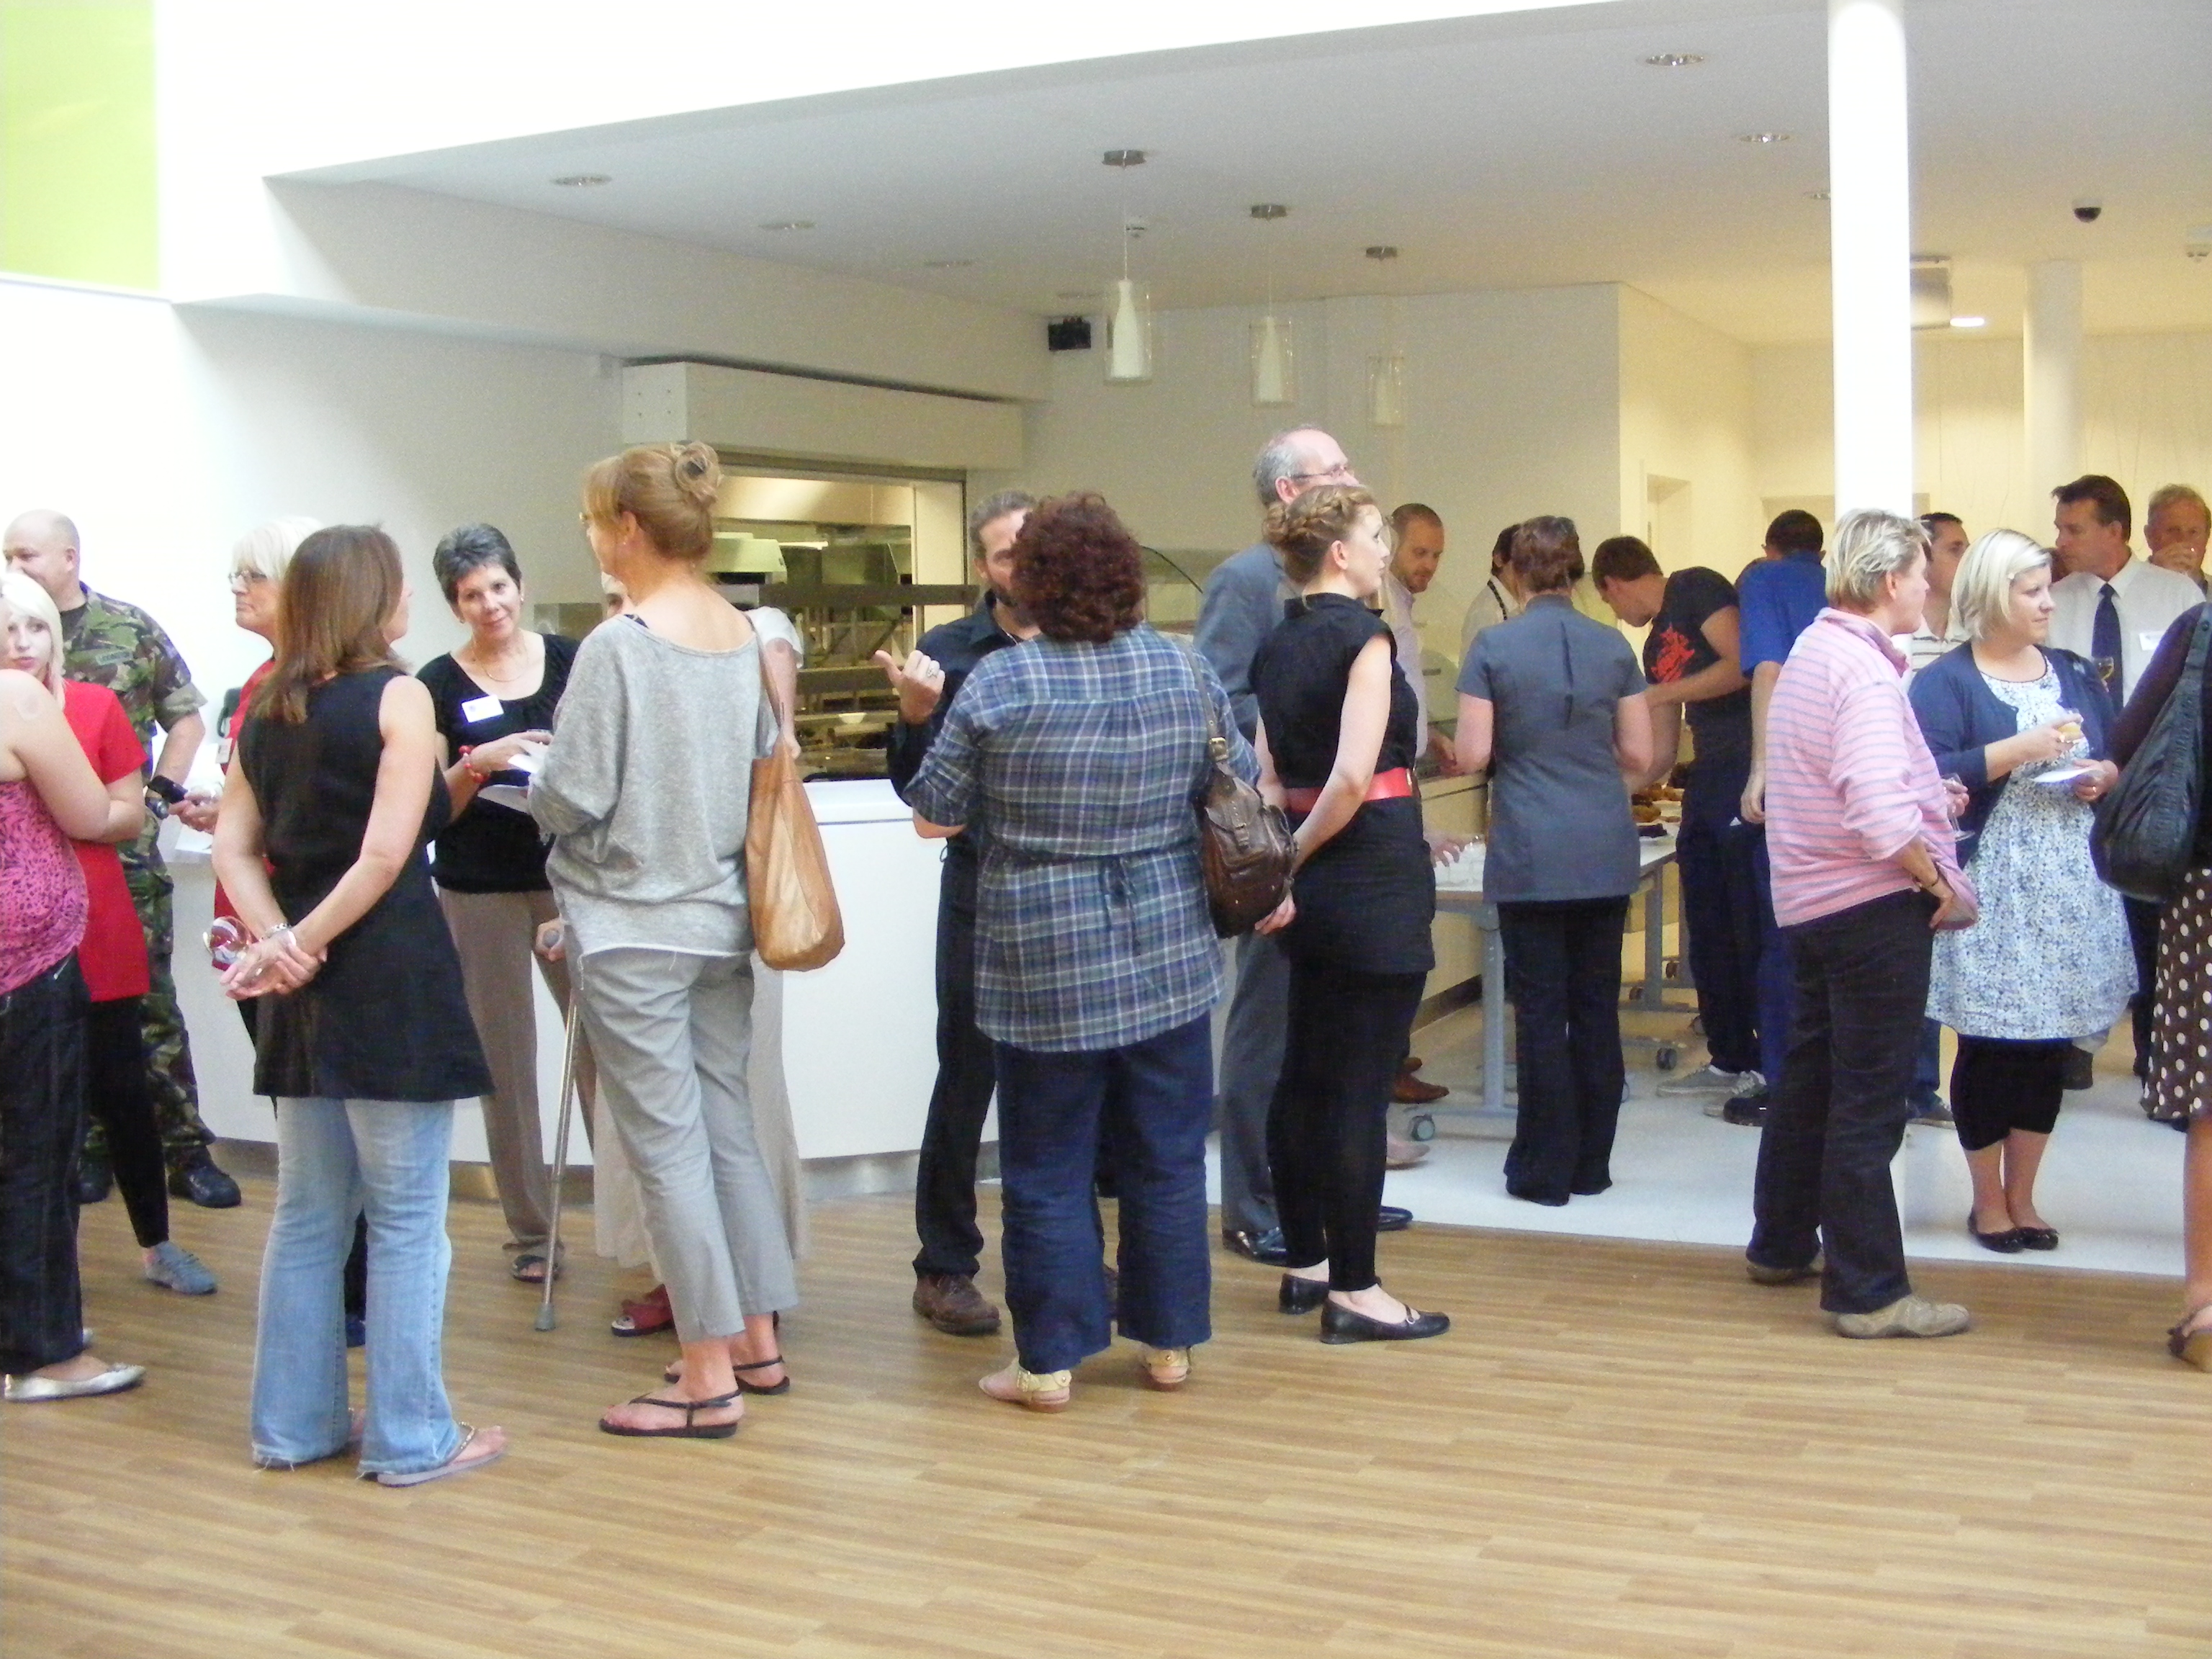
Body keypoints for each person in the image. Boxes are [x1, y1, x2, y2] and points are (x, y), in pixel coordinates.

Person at [907, 493, 1238, 1410]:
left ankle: (1048, 1362)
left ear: (1038, 582)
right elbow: (1236, 786)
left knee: (1047, 1166)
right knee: (1166, 1158)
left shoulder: (1003, 685)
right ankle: (1168, 1345)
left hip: (1042, 957)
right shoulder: (1185, 672)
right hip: (1170, 949)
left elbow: (935, 810)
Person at [213, 526, 505, 1481]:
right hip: (386, 977)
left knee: (309, 1213)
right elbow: (385, 857)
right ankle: (413, 1440)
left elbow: (232, 849)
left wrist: (279, 943)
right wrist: (299, 944)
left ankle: (291, 1429)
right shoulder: (401, 695)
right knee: (410, 1215)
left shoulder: (270, 708)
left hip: (304, 988)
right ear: (376, 601)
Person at [533, 443, 796, 1439]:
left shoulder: (620, 645)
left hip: (634, 929)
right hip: (723, 921)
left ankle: (702, 1375)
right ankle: (758, 1340)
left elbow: (577, 792)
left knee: (668, 1148)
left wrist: (534, 773)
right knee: (726, 1130)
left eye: (595, 522)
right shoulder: (739, 630)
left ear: (628, 529)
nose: (594, 539)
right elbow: (768, 757)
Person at [1745, 509, 1976, 1339]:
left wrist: (1923, 799)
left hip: (1810, 906)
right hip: (1870, 908)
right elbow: (1878, 818)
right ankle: (1869, 1290)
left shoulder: (1816, 649)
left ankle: (1778, 1242)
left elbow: (1840, 780)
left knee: (1809, 1080)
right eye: (1921, 572)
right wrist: (1935, 879)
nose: (1928, 585)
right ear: (1889, 583)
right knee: (1868, 1101)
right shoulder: (1867, 673)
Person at [1194, 428, 1412, 1264]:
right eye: (1337, 472)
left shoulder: (1356, 604)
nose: (1354, 479)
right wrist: (1283, 821)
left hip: (1338, 828)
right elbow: (1223, 700)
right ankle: (1257, 1204)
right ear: (1292, 495)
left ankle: (1328, 1199)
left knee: (1326, 1036)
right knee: (1268, 1024)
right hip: (1292, 827)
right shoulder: (1249, 582)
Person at [1253, 487, 1447, 1342]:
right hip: (1367, 871)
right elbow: (1353, 778)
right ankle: (1357, 1288)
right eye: (1375, 538)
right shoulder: (1363, 637)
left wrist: (1280, 866)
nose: (1383, 552)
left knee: (1306, 1074)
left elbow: (1268, 776)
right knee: (1359, 1089)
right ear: (1339, 553)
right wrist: (1298, 856)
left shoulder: (1276, 645)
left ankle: (1308, 1260)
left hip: (1314, 889)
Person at [3, 510, 236, 1208]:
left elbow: (185, 718)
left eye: (28, 553)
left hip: (117, 861)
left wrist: (156, 795)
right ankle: (88, 1154)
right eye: (7, 554)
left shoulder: (126, 630)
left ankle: (184, 1151)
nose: (16, 566)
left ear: (69, 558)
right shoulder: (8, 644)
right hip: (30, 882)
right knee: (53, 1036)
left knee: (147, 1021)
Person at [1910, 530, 2129, 1252]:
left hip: (2068, 884)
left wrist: (2102, 776)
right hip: (1993, 890)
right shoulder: (1946, 681)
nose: (2046, 603)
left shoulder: (2072, 670)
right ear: (1988, 596)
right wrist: (2020, 750)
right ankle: (1986, 1200)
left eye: (2047, 588)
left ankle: (2025, 1196)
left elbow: (2111, 755)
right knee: (1990, 1044)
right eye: (2030, 590)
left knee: (2046, 1050)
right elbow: (1928, 775)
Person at [877, 490, 1038, 1336]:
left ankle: (1060, 1250)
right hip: (981, 887)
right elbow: (917, 793)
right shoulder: (948, 654)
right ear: (984, 567)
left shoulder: (1089, 642)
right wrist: (911, 719)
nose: (1022, 563)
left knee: (1063, 1080)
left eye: (1032, 547)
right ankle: (943, 1266)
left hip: (1065, 897)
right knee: (968, 1075)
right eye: (1006, 552)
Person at [1457, 518, 1651, 1207]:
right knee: (1595, 1006)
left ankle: (1543, 1169)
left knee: (1541, 1010)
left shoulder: (1493, 647)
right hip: (1603, 842)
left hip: (1532, 849)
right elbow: (1639, 754)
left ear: (1515, 570)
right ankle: (1593, 1162)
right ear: (1574, 575)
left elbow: (1476, 754)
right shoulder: (1613, 647)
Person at [416, 523, 583, 1285]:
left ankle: (632, 1220)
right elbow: (429, 809)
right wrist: (479, 766)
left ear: (520, 584)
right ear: (456, 604)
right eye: (472, 595)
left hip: (569, 879)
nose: (490, 605)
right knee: (505, 1065)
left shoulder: (570, 660)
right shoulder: (435, 685)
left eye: (498, 588)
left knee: (604, 1050)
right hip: (477, 887)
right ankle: (531, 1234)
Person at [0, 588, 145, 1404]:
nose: (23, 642)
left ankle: (26, 1324)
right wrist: (129, 804)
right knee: (38, 1154)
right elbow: (94, 814)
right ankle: (44, 1350)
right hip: (26, 964)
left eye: (34, 627)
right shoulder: (18, 700)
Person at [2046, 475, 2200, 1109]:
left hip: (2151, 784)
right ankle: (2075, 1044)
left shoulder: (2175, 596)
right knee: (2076, 912)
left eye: (2073, 528)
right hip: (2071, 779)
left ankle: (2154, 1049)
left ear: (2114, 530)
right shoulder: (2054, 600)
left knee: (2150, 917)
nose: (2061, 540)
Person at [1590, 536, 1759, 1106]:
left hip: (1747, 767)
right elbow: (1658, 757)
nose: (1620, 616)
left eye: (1611, 603)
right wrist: (1603, 792)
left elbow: (1743, 664)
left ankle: (1764, 1060)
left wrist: (1662, 692)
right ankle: (1727, 1053)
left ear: (1613, 583)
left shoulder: (1694, 585)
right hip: (1707, 775)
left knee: (1744, 924)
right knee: (1707, 926)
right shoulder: (1652, 647)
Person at [2109, 596, 2212, 1367]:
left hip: (2204, 890)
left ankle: (2206, 1306)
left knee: (2211, 1112)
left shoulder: (2200, 628)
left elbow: (2127, 742)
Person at [1730, 509, 1833, 1126]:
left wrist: (1760, 767)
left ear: (1770, 549)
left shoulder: (1765, 584)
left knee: (1781, 938)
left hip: (1797, 782)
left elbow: (1767, 668)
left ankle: (1783, 1079)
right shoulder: (1839, 584)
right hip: (1849, 782)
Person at [1458, 524, 1522, 656]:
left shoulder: (1518, 606)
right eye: (1521, 563)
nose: (1527, 572)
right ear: (1499, 559)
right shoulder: (1485, 612)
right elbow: (1473, 673)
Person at [2145, 484, 2209, 590]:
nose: (2184, 541)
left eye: (2193, 532)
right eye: (2173, 531)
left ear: (2206, 538)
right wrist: (2157, 578)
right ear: (2149, 536)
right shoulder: (2123, 590)